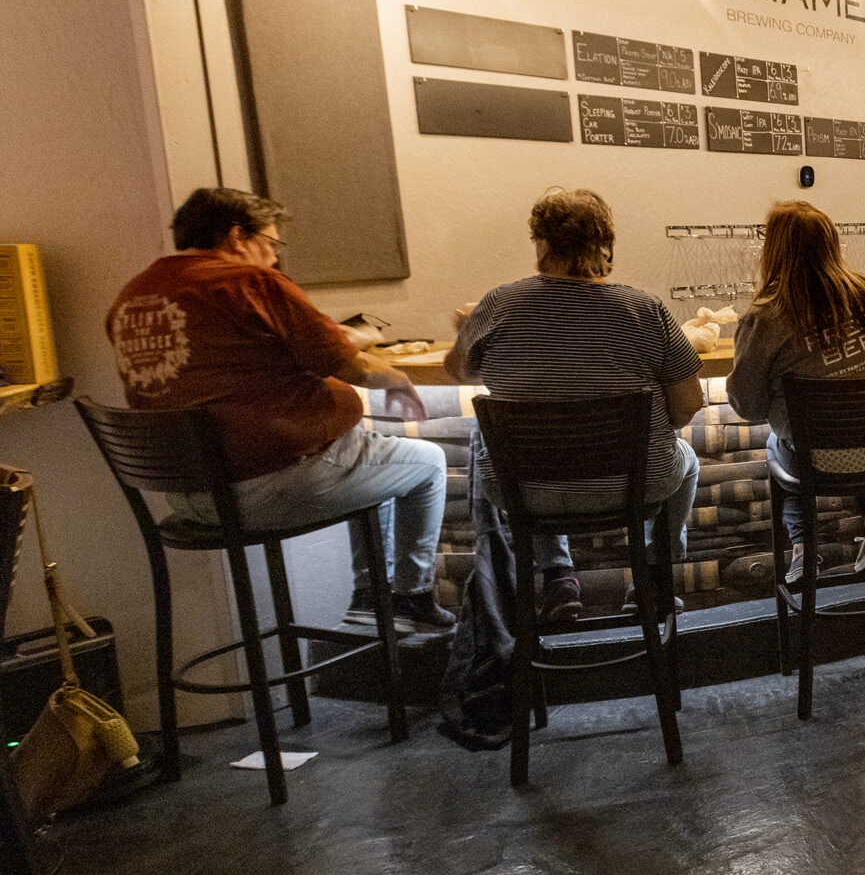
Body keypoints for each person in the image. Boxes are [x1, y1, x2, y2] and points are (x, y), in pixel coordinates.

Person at [106, 187, 452, 632]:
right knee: (427, 461)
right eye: (271, 243)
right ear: (237, 236)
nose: (273, 258)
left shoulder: (130, 297)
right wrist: (399, 379)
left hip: (187, 497)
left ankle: (371, 596)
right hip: (268, 485)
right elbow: (354, 367)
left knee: (372, 459)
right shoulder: (250, 282)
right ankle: (411, 596)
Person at [449, 189, 703, 622]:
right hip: (633, 487)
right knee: (687, 459)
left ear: (541, 244)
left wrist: (468, 329)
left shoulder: (497, 305)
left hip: (525, 492)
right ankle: (652, 578)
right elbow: (687, 406)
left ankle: (558, 578)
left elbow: (458, 371)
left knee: (521, 454)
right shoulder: (646, 310)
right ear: (606, 246)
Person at [727, 201, 865, 588]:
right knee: (836, 431)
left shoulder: (766, 315)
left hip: (816, 459)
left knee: (783, 443)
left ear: (774, 249)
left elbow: (747, 406)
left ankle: (803, 551)